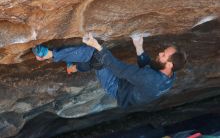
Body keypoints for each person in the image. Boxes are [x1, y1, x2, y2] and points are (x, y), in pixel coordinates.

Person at [32, 33, 187, 108]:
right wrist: (138, 47)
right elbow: (149, 68)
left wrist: (97, 46)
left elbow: (119, 70)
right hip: (128, 88)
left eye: (164, 55)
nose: (160, 53)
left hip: (117, 88)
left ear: (170, 65)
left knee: (95, 54)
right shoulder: (169, 75)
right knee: (97, 61)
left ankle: (48, 54)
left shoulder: (151, 79)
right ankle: (71, 68)